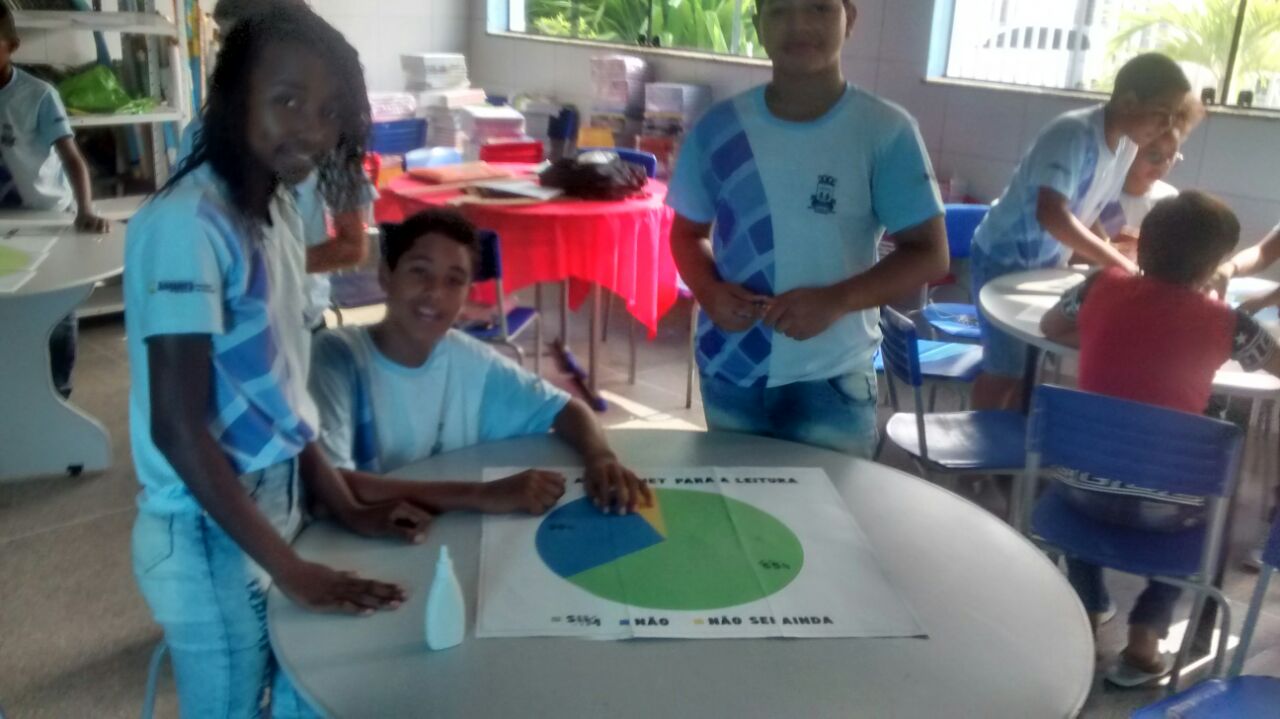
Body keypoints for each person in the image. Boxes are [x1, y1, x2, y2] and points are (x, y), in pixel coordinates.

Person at [125, 8, 423, 717]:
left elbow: (279, 395)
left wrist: (343, 504)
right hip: (206, 525)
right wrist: (290, 568)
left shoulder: (278, 210)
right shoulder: (188, 225)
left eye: (329, 111)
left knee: (289, 691)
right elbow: (177, 426)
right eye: (287, 101)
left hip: (272, 497)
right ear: (235, 98)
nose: (312, 130)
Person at [666, 0, 948, 458]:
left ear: (848, 19)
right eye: (779, 10)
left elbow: (929, 253)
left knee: (832, 506)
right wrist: (709, 290)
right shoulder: (718, 128)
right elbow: (686, 233)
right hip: (732, 371)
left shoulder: (885, 130)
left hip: (831, 378)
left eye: (818, 7)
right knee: (735, 502)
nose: (798, 24)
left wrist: (837, 300)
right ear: (758, 25)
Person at [1039, 191, 1279, 686]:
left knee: (1083, 481)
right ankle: (1145, 638)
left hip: (1080, 490)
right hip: (1169, 507)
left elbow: (1051, 327)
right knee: (1213, 512)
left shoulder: (1099, 285)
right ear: (1213, 265)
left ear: (1142, 245)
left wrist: (1111, 336)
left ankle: (1087, 607)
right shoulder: (1228, 323)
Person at [310, 209, 652, 515]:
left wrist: (601, 457)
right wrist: (480, 494)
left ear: (468, 293)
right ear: (386, 275)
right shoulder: (337, 357)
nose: (435, 292)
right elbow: (330, 485)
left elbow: (567, 409)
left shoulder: (468, 358)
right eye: (419, 271)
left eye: (454, 280)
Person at [970, 53, 1194, 411]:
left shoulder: (1126, 144)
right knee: (1005, 371)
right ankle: (979, 439)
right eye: (1162, 112)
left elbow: (1093, 206)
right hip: (1002, 257)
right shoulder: (1072, 134)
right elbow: (1052, 214)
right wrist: (1118, 263)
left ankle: (1012, 438)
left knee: (1028, 366)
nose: (1167, 124)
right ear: (1128, 102)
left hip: (1042, 264)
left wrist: (1122, 251)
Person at [181, 0, 374, 332]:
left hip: (301, 317)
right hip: (228, 326)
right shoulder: (201, 136)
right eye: (226, 43)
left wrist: (269, 269)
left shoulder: (328, 133)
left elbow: (352, 246)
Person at [0, 4, 110, 398]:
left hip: (46, 216)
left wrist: (86, 211)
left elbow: (72, 158)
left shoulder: (38, 95)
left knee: (56, 309)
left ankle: (58, 391)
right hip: (4, 223)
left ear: (12, 46)